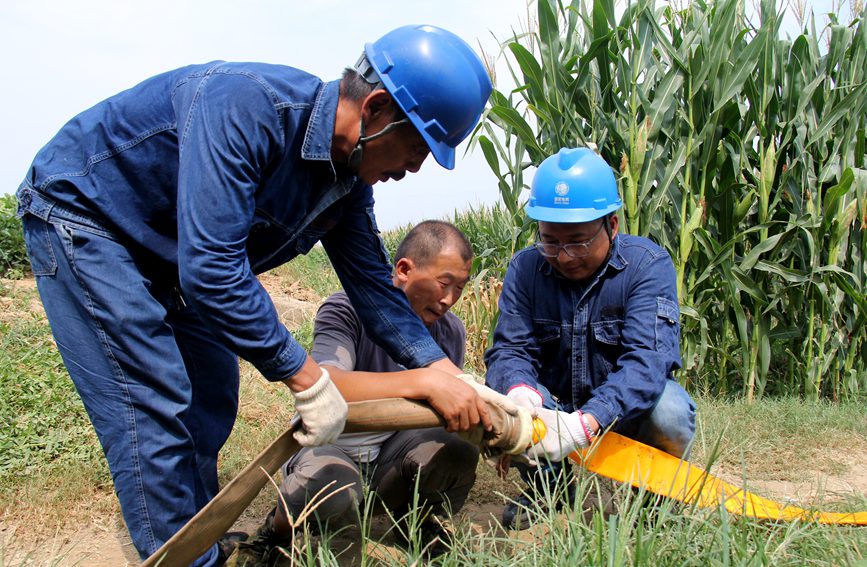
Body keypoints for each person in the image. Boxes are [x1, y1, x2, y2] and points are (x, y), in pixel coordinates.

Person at [15, 25, 500, 566]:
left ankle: (197, 537)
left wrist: (458, 381)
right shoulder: (248, 108)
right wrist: (307, 378)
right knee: (153, 396)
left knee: (210, 397)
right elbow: (213, 272)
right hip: (90, 217)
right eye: (416, 147)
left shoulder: (345, 185)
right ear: (378, 108)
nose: (413, 169)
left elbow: (378, 294)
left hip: (172, 253)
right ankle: (188, 560)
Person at [230, 220, 483, 565]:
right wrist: (424, 381)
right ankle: (276, 533)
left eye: (460, 288)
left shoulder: (449, 330)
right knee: (331, 489)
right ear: (404, 270)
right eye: (444, 283)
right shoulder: (346, 309)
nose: (449, 299)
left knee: (456, 451)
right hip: (331, 449)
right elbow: (327, 381)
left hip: (392, 457)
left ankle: (419, 524)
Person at [484, 147, 697, 528]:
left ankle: (653, 497)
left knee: (670, 412)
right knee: (507, 402)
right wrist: (520, 393)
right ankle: (548, 489)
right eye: (551, 241)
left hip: (621, 409)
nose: (564, 256)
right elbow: (511, 350)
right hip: (553, 407)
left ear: (612, 226)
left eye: (578, 241)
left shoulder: (647, 266)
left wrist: (588, 421)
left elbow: (647, 362)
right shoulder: (525, 268)